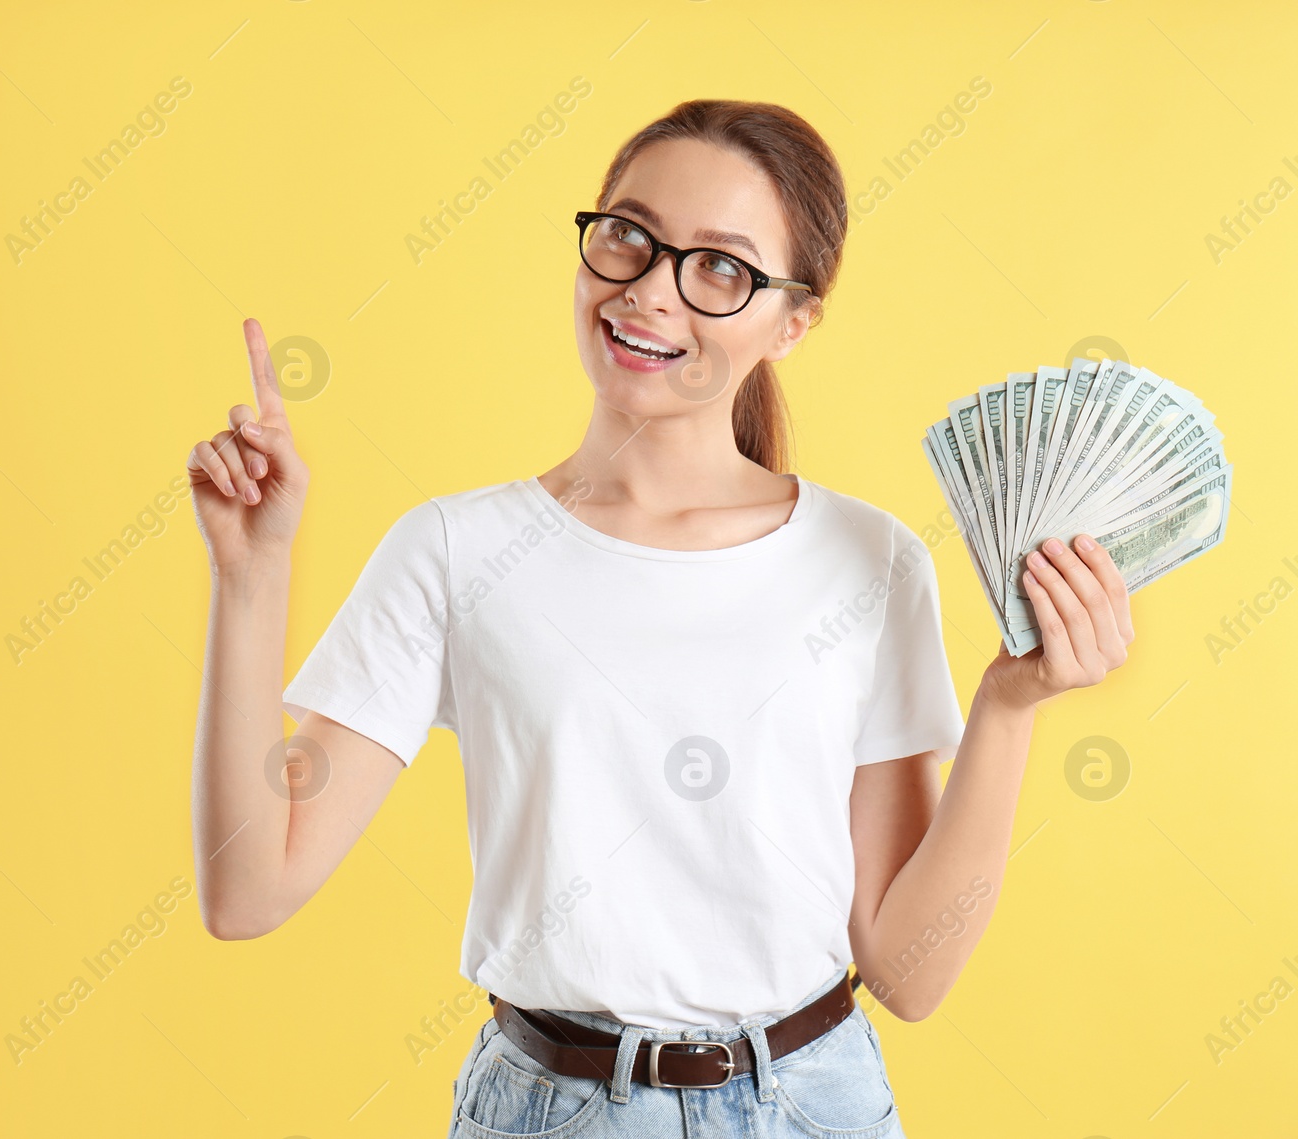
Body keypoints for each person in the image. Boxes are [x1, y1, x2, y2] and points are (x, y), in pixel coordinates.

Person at [184, 99, 1134, 1138]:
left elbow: (907, 971)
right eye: (628, 237)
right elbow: (248, 886)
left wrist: (1008, 703)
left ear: (793, 321)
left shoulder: (868, 563)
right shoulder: (454, 550)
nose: (647, 292)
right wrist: (253, 573)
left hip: (813, 1104)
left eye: (719, 267)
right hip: (552, 1109)